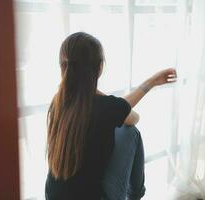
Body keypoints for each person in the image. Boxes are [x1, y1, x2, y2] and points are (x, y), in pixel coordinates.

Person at [45, 32, 177, 200]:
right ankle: (136, 195)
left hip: (52, 195)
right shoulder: (106, 107)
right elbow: (132, 117)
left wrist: (149, 83)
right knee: (130, 132)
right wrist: (150, 82)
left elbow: (116, 108)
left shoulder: (58, 102)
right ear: (99, 67)